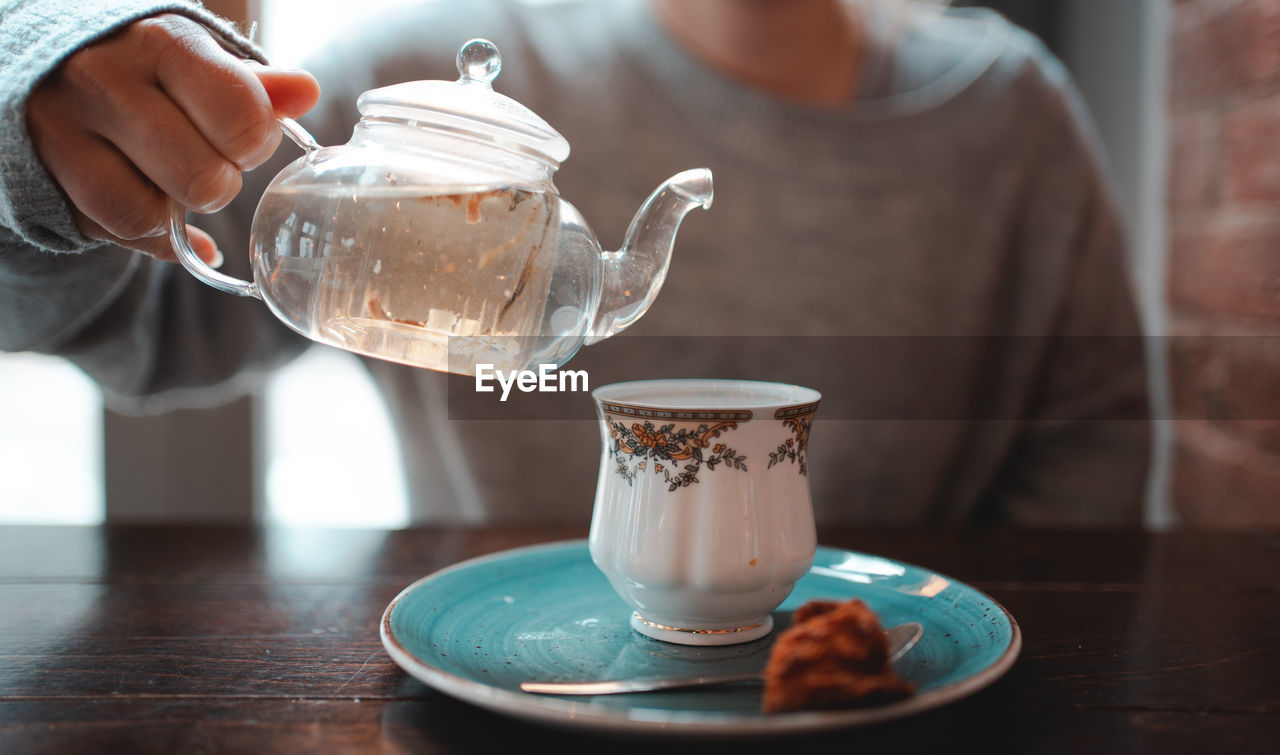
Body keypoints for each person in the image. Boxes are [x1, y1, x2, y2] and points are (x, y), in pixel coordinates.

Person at [0, 0, 1151, 526]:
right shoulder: (403, 66)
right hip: (473, 690)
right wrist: (37, 108)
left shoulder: (1007, 116)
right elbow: (131, 324)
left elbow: (1090, 447)